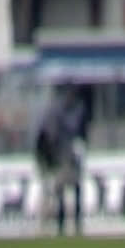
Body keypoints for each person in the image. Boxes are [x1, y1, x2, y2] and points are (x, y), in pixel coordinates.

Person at [36, 83, 87, 236]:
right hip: (60, 159)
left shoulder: (77, 110)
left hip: (70, 157)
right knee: (60, 191)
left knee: (75, 188)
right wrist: (50, 158)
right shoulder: (57, 112)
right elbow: (48, 137)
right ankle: (60, 225)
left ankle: (76, 224)